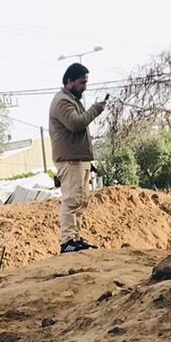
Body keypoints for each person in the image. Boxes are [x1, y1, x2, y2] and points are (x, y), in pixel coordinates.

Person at [48, 62, 107, 254]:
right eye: (82, 82)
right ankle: (67, 242)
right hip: (70, 160)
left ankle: (75, 238)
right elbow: (75, 124)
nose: (85, 86)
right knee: (72, 200)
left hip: (78, 159)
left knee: (81, 200)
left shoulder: (71, 100)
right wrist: (95, 110)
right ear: (69, 81)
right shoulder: (62, 102)